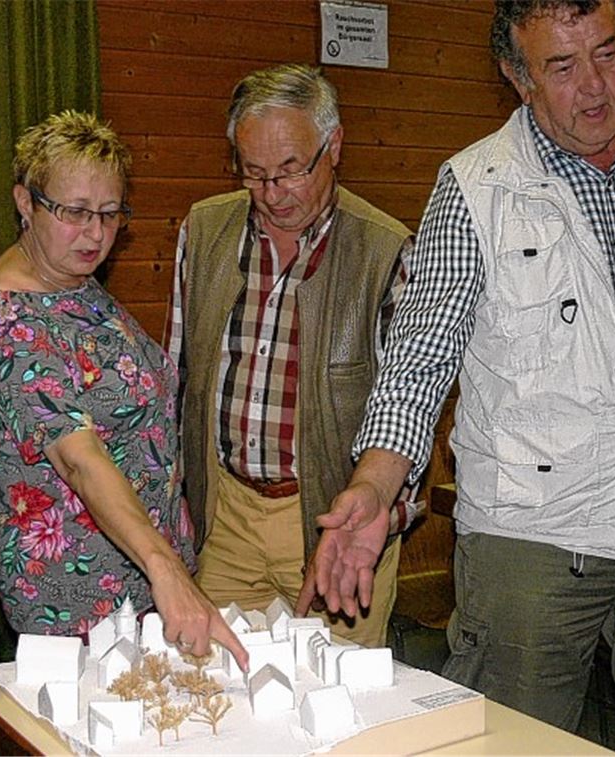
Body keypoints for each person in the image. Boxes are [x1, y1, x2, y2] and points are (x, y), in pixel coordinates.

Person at [303, 0, 615, 751]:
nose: (594, 86)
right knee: (519, 741)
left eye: (606, 53)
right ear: (518, 78)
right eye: (562, 67)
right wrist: (370, 487)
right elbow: (418, 361)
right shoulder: (475, 187)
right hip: (532, 528)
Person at [0, 111, 247, 669]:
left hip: (144, 576)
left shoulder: (77, 285)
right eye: (75, 212)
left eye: (111, 214)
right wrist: (166, 569)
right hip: (76, 596)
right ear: (25, 201)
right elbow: (80, 460)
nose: (95, 233)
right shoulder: (6, 319)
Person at [167, 63, 413, 648]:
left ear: (334, 147)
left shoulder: (386, 251)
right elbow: (176, 379)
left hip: (334, 527)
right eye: (253, 174)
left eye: (290, 171)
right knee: (219, 696)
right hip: (226, 518)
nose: (273, 194)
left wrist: (385, 516)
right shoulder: (204, 231)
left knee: (340, 710)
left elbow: (410, 408)